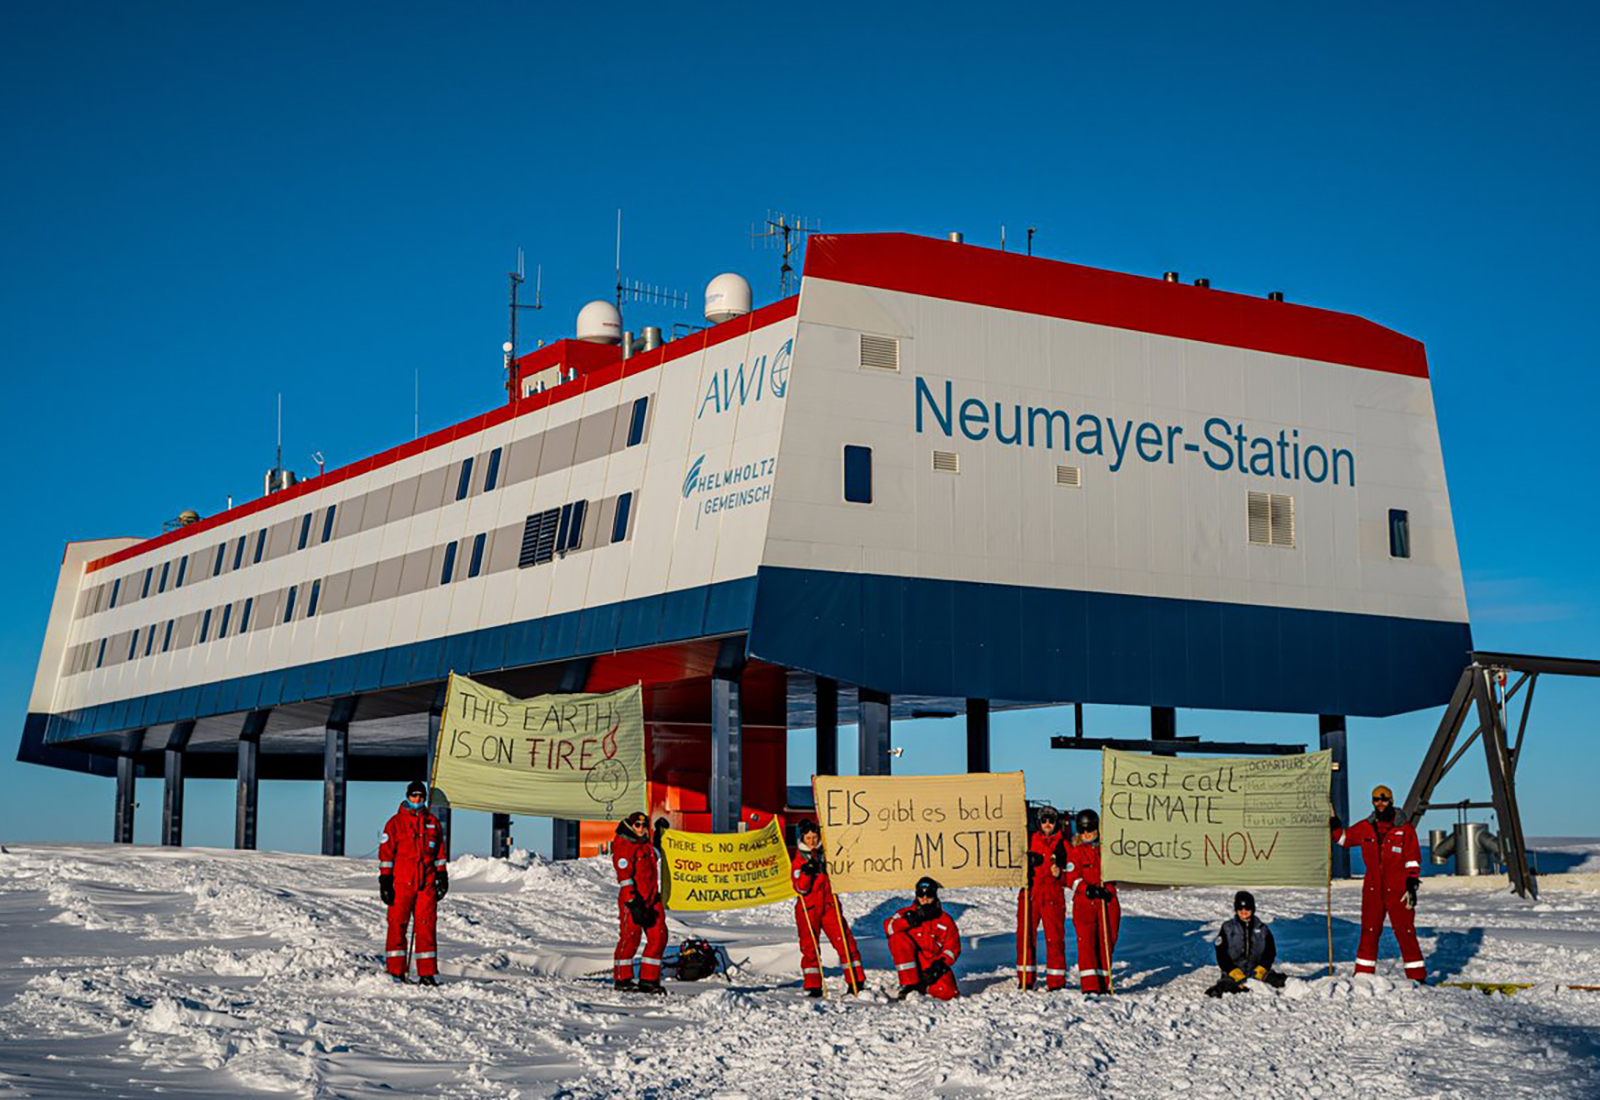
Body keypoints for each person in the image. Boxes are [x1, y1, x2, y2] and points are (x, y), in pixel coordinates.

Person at [1332, 785, 1425, 982]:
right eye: (1376, 800)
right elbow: (1344, 839)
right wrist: (1333, 823)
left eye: (1383, 799)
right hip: (1373, 889)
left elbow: (1412, 858)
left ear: (1391, 801)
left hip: (1399, 889)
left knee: (1405, 931)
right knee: (1369, 930)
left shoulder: (1404, 829)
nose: (1380, 803)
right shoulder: (1365, 827)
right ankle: (1363, 976)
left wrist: (1411, 883)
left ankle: (1417, 977)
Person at [378, 779, 449, 985]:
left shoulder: (433, 823)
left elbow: (440, 854)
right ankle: (396, 971)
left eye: (420, 796)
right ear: (407, 797)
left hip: (425, 883)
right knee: (397, 924)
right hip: (401, 883)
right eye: (414, 795)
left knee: (426, 926)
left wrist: (441, 876)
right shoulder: (395, 823)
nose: (417, 799)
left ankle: (426, 974)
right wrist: (385, 880)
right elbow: (386, 854)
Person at [791, 819, 866, 997]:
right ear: (802, 838)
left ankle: (856, 981)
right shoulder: (798, 860)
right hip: (808, 908)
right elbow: (800, 888)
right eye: (808, 837)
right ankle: (813, 985)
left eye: (814, 837)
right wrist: (806, 873)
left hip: (829, 905)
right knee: (809, 948)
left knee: (845, 942)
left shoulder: (828, 854)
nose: (811, 840)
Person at [1064, 808, 1119, 994]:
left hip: (1106, 901)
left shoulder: (1107, 851)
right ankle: (1089, 985)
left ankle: (1104, 981)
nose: (1087, 835)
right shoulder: (1076, 852)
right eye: (1083, 831)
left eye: (1091, 830)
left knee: (1106, 941)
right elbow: (1071, 877)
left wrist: (1107, 888)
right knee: (1086, 943)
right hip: (1085, 903)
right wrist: (1087, 889)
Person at [612, 810, 668, 994]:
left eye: (644, 826)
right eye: (638, 825)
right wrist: (633, 901)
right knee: (630, 939)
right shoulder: (624, 845)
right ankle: (622, 979)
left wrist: (660, 835)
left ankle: (649, 980)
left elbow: (655, 855)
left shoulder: (645, 845)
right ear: (630, 826)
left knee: (659, 935)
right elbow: (624, 876)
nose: (642, 829)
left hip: (651, 899)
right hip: (634, 901)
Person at [1016, 805, 1070, 990]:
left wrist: (1060, 874)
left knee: (1054, 938)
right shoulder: (1027, 840)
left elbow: (1072, 870)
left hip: (1053, 896)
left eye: (1051, 821)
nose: (1048, 824)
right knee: (1025, 936)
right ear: (1039, 823)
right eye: (1044, 820)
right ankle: (1026, 978)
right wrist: (1026, 865)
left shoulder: (1064, 843)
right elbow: (1014, 861)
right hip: (1030, 893)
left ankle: (1056, 981)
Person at [883, 876, 961, 1001]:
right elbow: (888, 928)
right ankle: (909, 984)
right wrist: (907, 921)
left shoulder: (945, 920)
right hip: (912, 962)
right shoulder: (905, 913)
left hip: (932, 964)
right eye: (921, 894)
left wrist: (940, 965)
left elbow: (953, 948)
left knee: (948, 993)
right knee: (897, 938)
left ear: (935, 895)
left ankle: (923, 986)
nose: (924, 898)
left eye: (929, 894)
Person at [1206, 890, 1288, 997]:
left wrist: (1262, 967)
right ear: (1236, 909)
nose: (1243, 911)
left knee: (1281, 982)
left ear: (1253, 909)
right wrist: (1231, 970)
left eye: (1247, 908)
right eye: (1240, 908)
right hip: (1234, 972)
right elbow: (1221, 953)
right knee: (1225, 989)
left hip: (1257, 971)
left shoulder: (1262, 929)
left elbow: (1270, 952)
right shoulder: (1228, 928)